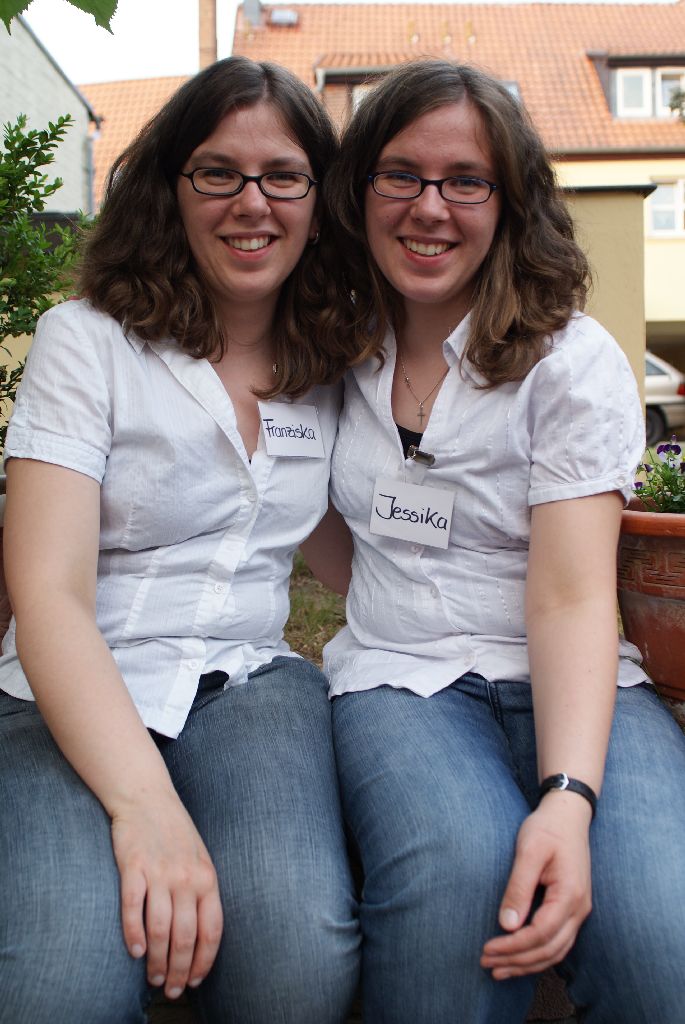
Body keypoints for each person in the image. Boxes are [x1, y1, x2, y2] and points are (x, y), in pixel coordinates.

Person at [318, 59, 685, 1023]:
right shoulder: (329, 344)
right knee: (456, 891)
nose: (429, 207)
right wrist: (388, 595)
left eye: (466, 181)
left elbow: (570, 597)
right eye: (400, 174)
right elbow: (303, 509)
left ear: (510, 201)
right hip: (398, 678)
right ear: (358, 191)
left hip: (566, 673)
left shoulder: (568, 361)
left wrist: (567, 794)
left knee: (661, 941)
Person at [0, 56, 359, 1024]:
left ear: (320, 201)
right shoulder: (87, 341)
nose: (253, 202)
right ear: (172, 187)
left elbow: (358, 558)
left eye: (283, 175)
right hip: (68, 685)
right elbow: (47, 594)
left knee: (297, 963)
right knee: (65, 983)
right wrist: (145, 808)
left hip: (248, 683)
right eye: (218, 172)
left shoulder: (331, 362)